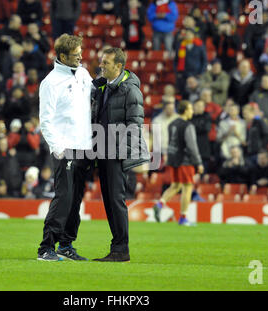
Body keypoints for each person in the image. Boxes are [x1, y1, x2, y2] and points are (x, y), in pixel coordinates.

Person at [37, 34, 93, 261]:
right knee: (64, 196)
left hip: (84, 146)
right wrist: (57, 147)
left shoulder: (83, 73)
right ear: (62, 56)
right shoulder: (50, 82)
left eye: (80, 52)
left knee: (76, 198)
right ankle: (46, 247)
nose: (80, 57)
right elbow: (46, 120)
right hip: (65, 147)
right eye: (75, 54)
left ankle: (66, 245)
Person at [91, 47, 149, 262]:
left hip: (115, 152)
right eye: (101, 62)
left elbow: (135, 124)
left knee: (116, 200)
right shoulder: (103, 86)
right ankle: (117, 247)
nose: (101, 66)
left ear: (118, 66)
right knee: (109, 200)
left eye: (106, 63)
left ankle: (121, 249)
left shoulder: (130, 90)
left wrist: (123, 154)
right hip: (103, 150)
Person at [153, 100, 203, 225]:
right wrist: (198, 162)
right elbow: (192, 146)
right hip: (185, 161)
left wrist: (170, 159)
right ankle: (183, 217)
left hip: (173, 160)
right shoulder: (188, 126)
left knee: (175, 186)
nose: (192, 111)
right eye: (191, 109)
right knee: (187, 187)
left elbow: (172, 143)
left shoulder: (172, 124)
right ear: (185, 110)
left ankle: (160, 204)